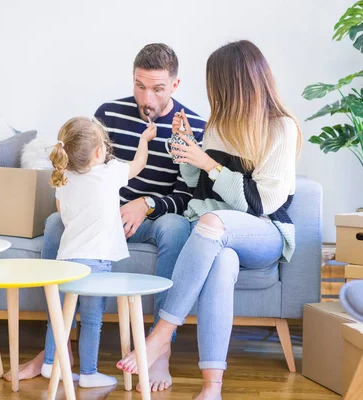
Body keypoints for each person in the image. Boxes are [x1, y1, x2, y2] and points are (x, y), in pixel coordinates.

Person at [5, 43, 205, 392]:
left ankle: (159, 350)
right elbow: (82, 172)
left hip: (152, 217)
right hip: (100, 220)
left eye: (157, 88)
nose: (147, 97)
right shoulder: (108, 115)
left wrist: (146, 204)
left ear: (174, 85)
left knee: (176, 228)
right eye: (140, 86)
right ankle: (57, 348)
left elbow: (188, 195)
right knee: (54, 225)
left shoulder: (193, 125)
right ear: (132, 79)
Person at [116, 40, 303, 400]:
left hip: (264, 233)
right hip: (221, 236)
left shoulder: (281, 128)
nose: (211, 91)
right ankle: (211, 386)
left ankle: (158, 337)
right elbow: (197, 187)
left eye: (215, 83)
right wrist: (185, 149)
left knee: (212, 223)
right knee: (221, 261)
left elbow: (259, 203)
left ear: (235, 84)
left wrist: (208, 162)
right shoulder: (218, 125)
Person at [43, 116, 156, 388]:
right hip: (96, 262)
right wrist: (144, 140)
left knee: (61, 318)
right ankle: (90, 373)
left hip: (65, 259)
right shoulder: (109, 172)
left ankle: (50, 364)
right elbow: (139, 164)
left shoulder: (63, 178)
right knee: (91, 320)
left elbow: (62, 213)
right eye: (105, 144)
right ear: (98, 152)